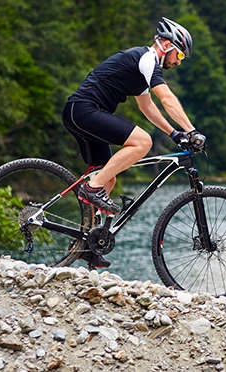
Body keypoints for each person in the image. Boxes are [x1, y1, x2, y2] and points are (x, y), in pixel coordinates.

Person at [62, 17, 205, 268]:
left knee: (107, 177)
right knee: (142, 142)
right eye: (179, 56)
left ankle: (86, 244)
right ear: (167, 45)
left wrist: (174, 133)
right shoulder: (147, 59)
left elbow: (147, 106)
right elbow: (166, 98)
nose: (177, 62)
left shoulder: (141, 68)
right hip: (84, 110)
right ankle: (92, 187)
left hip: (80, 112)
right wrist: (191, 130)